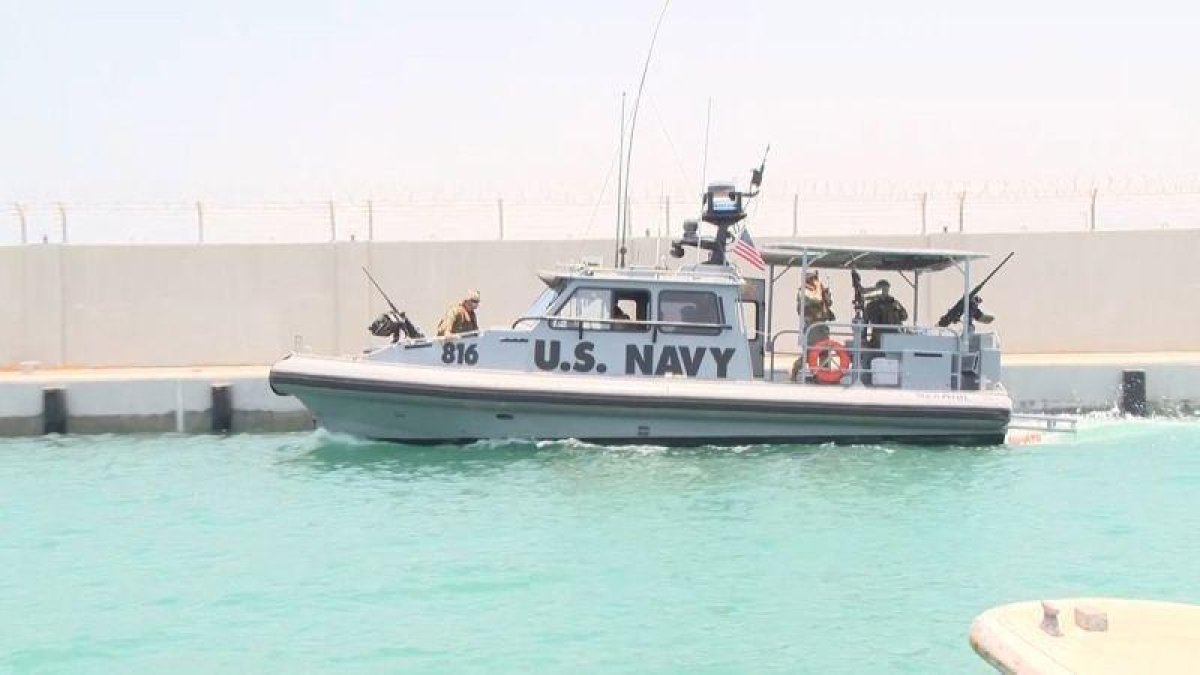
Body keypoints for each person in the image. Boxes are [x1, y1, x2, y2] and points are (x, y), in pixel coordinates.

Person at [790, 270, 836, 381]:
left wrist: (826, 295)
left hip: (822, 325)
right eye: (812, 278)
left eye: (815, 278)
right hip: (812, 325)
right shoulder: (803, 291)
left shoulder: (819, 290)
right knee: (810, 352)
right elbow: (816, 299)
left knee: (825, 352)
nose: (815, 280)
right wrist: (819, 289)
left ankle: (823, 376)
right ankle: (794, 371)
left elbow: (828, 303)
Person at [862, 279, 909, 348]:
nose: (885, 292)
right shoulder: (872, 305)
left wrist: (899, 307)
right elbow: (864, 323)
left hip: (895, 336)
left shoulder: (893, 303)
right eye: (882, 289)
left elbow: (904, 317)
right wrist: (863, 338)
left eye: (886, 289)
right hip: (879, 338)